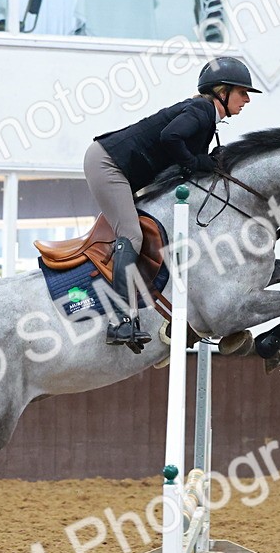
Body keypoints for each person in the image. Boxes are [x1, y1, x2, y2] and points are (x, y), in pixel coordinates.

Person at [85, 56, 260, 348]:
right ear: (222, 91)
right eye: (242, 93)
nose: (246, 100)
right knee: (131, 234)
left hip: (117, 165)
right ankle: (120, 321)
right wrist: (194, 162)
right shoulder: (202, 109)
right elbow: (171, 136)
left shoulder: (206, 118)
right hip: (107, 163)